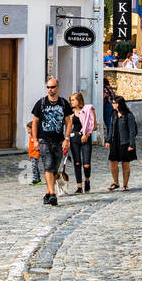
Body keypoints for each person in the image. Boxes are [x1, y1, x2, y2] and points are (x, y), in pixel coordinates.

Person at [30, 77, 74, 206]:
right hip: (44, 140)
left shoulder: (63, 103)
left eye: (52, 87)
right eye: (48, 87)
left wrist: (66, 138)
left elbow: (68, 121)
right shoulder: (41, 103)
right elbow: (35, 122)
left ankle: (48, 193)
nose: (50, 90)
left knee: (54, 168)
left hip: (59, 140)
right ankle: (53, 194)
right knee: (48, 166)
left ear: (57, 87)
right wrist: (35, 140)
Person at [68, 92, 96, 194]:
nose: (72, 102)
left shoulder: (88, 111)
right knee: (77, 163)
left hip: (85, 138)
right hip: (74, 139)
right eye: (71, 100)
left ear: (79, 100)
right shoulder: (71, 115)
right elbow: (69, 128)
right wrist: (67, 140)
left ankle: (87, 180)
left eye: (73, 100)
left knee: (86, 164)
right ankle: (79, 186)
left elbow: (94, 126)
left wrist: (87, 135)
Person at [108, 95, 138, 190]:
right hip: (115, 141)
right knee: (113, 162)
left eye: (113, 103)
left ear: (118, 104)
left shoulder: (128, 116)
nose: (112, 104)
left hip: (125, 142)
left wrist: (131, 144)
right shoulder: (114, 114)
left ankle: (125, 185)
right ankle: (115, 183)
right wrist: (108, 140)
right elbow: (111, 128)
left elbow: (132, 131)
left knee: (125, 163)